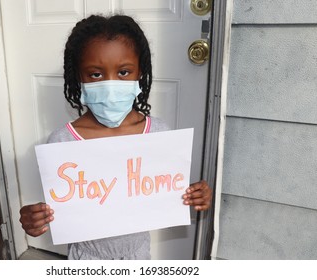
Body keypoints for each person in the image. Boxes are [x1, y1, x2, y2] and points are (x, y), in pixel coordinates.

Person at [19, 14, 212, 260]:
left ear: (140, 72)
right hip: (85, 259)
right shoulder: (62, 142)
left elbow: (168, 190)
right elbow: (61, 209)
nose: (110, 86)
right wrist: (35, 219)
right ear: (78, 77)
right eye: (95, 75)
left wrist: (197, 194)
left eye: (123, 72)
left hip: (138, 256)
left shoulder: (157, 134)